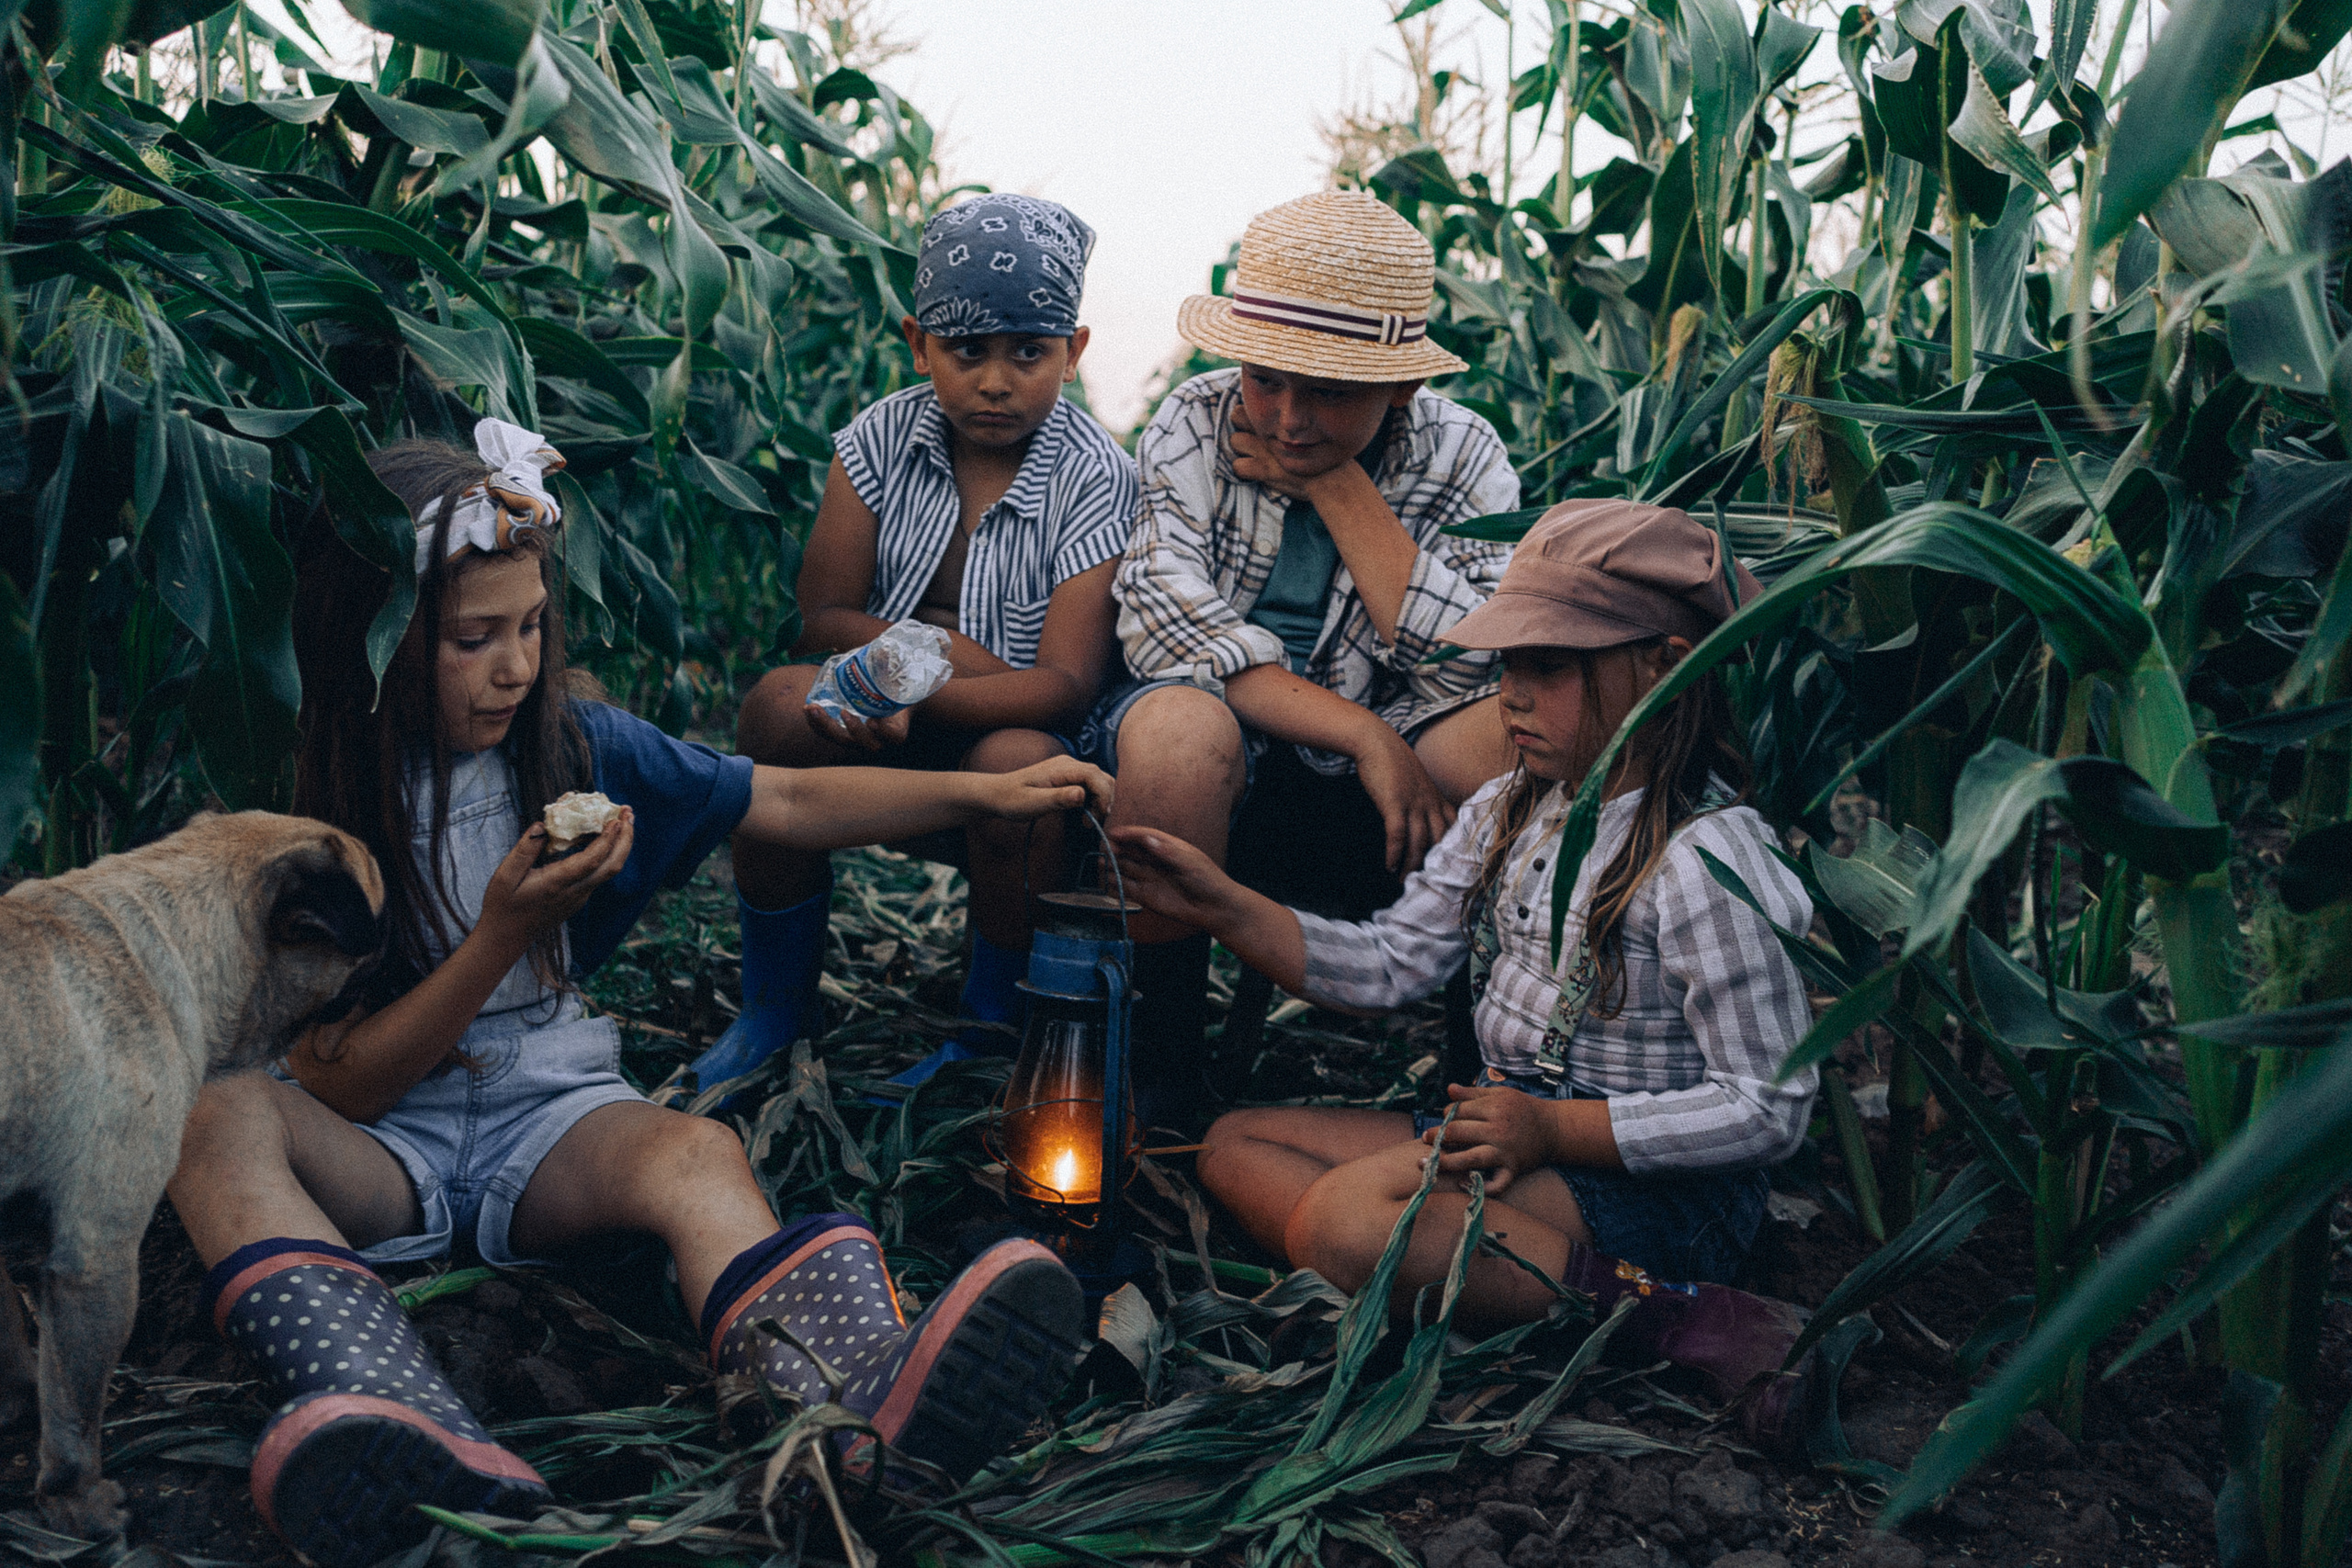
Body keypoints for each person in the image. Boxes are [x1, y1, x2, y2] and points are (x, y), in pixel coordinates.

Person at [166, 423, 1105, 1568]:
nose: (515, 666)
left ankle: (848, 1408)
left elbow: (785, 803)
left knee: (694, 1158)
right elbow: (346, 1083)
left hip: (549, 1120)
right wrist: (506, 930)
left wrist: (978, 801)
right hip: (377, 1147)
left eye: (530, 628)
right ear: (375, 636)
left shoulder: (572, 750)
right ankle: (387, 1408)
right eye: (473, 639)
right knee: (216, 1118)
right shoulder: (305, 810)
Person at [1111, 501, 1825, 1450]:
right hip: (1514, 1131)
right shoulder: (1509, 809)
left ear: (1663, 663)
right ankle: (1454, 1273)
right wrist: (1221, 904)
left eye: (1548, 668)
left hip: (1650, 1188)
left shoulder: (1708, 858)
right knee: (1233, 1144)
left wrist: (1554, 1127)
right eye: (1507, 668)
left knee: (1352, 1222)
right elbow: (1388, 963)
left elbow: (1769, 1106)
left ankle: (1684, 1320)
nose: (1511, 699)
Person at [1106, 189, 1519, 1102]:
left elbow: (1473, 664)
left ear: (1403, 387)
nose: (1287, 420)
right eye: (1267, 378)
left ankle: (1486, 1083)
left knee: (1510, 740)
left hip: (1395, 775)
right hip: (1233, 747)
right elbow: (1163, 623)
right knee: (1177, 732)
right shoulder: (1196, 421)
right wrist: (1360, 735)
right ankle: (1158, 1083)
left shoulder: (1463, 456)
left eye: (1329, 392)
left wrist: (1341, 492)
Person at [717, 195, 1136, 1091]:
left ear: (1076, 350)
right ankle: (773, 1008)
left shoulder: (1097, 477)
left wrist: (925, 681)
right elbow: (821, 619)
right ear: (918, 344)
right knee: (775, 708)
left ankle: (986, 1032)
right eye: (966, 351)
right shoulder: (877, 440)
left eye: (1031, 352)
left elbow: (1063, 683)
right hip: (875, 700)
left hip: (1012, 724)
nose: (996, 380)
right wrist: (905, 670)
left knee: (1026, 769)